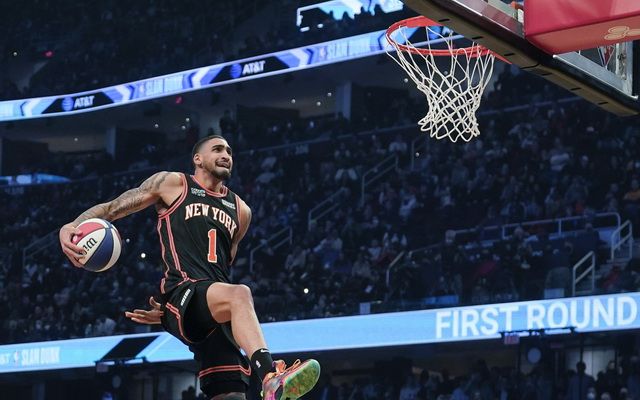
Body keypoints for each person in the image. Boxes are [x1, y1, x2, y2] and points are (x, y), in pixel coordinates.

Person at [59, 135, 320, 399]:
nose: (226, 155)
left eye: (229, 152)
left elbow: (224, 264)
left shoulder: (242, 211)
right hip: (183, 291)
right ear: (198, 159)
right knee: (240, 293)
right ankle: (270, 375)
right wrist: (73, 225)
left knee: (231, 395)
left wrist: (173, 315)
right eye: (217, 149)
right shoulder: (173, 184)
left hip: (214, 306)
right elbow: (113, 208)